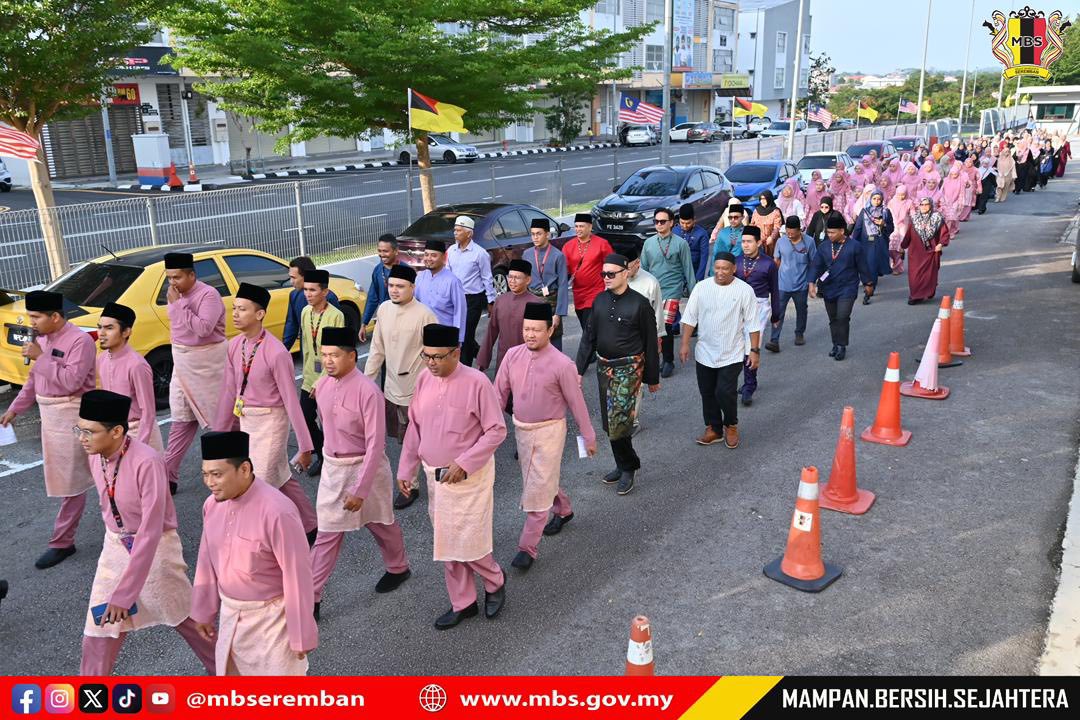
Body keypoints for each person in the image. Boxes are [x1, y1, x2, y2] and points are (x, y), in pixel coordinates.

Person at [75, 390, 215, 676]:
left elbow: (151, 531)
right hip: (114, 546)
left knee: (184, 617)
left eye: (89, 431)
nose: (82, 438)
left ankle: (232, 677)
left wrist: (125, 595)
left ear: (116, 431)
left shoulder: (148, 462)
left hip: (156, 549)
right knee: (98, 630)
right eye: (80, 429)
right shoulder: (95, 456)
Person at [397, 324, 508, 629]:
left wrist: (465, 462)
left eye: (438, 357)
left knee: (470, 541)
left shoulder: (477, 383)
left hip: (470, 478)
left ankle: (495, 581)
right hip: (435, 477)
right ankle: (464, 602)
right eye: (427, 356)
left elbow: (497, 430)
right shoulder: (423, 380)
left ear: (457, 353)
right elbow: (414, 428)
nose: (431, 363)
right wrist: (406, 470)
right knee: (447, 543)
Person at [191, 431, 318, 675]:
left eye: (217, 474)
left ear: (245, 469)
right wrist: (202, 609)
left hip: (272, 623)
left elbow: (297, 575)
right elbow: (206, 559)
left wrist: (301, 633)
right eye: (205, 474)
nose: (210, 482)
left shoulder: (278, 511)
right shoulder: (211, 506)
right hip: (231, 617)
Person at [310, 327, 411, 620]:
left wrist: (360, 490)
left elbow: (376, 444)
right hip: (334, 469)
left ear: (352, 356)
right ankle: (311, 598)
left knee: (381, 524)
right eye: (324, 355)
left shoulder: (369, 392)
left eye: (335, 355)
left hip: (366, 469)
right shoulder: (324, 386)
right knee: (328, 533)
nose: (328, 361)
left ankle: (398, 568)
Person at [212, 283, 319, 544]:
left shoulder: (276, 352)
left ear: (260, 314)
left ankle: (259, 538)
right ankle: (311, 524)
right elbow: (229, 391)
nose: (235, 314)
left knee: (257, 483)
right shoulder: (234, 345)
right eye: (234, 308)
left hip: (272, 421)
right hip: (247, 420)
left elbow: (292, 402)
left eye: (242, 309)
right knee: (280, 477)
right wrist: (220, 432)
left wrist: (306, 446)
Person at [494, 302, 597, 571]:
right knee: (539, 478)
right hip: (522, 430)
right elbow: (498, 395)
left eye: (536, 330)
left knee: (538, 487)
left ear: (550, 330)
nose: (530, 334)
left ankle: (527, 547)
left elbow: (576, 403)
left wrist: (588, 435)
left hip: (551, 431)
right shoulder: (512, 356)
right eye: (526, 329)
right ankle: (563, 508)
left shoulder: (563, 364)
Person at [0, 290, 96, 569]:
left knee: (76, 481)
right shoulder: (41, 339)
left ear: (55, 316)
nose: (31, 323)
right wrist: (15, 409)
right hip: (51, 418)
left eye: (36, 317)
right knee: (75, 478)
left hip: (75, 416)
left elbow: (71, 382)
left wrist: (42, 357)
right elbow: (33, 381)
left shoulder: (79, 341)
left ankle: (62, 542)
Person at [576, 255, 660, 496]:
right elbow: (588, 338)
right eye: (603, 274)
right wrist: (578, 370)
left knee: (620, 422)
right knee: (608, 423)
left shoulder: (640, 304)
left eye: (611, 274)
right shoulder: (600, 301)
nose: (606, 278)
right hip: (604, 367)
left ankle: (628, 468)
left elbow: (651, 343)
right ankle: (623, 463)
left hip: (629, 368)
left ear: (625, 273)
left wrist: (652, 378)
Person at [363, 264, 437, 510]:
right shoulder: (383, 310)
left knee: (414, 438)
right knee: (402, 438)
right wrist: (366, 382)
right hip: (391, 388)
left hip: (418, 389)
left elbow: (435, 354)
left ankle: (412, 485)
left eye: (400, 286)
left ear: (412, 288)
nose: (394, 290)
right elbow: (377, 349)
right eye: (391, 285)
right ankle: (414, 476)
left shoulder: (425, 315)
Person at [679, 252, 761, 450]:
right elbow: (690, 317)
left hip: (732, 352)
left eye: (725, 268)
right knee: (707, 392)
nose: (720, 272)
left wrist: (754, 351)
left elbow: (753, 323)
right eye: (717, 268)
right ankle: (714, 428)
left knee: (724, 391)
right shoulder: (701, 287)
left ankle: (731, 425)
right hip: (705, 351)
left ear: (734, 269)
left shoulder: (744, 290)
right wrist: (684, 344)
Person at [160, 252, 227, 496]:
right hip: (183, 364)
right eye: (169, 278)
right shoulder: (175, 295)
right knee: (181, 420)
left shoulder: (208, 295)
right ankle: (168, 475)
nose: (173, 282)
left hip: (208, 366)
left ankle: (235, 470)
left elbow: (203, 329)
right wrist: (177, 302)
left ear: (191, 275)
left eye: (177, 277)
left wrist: (178, 304)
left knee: (221, 424)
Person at [95, 302, 163, 452]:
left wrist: (141, 446)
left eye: (109, 328)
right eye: (100, 327)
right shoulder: (102, 359)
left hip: (139, 433)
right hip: (116, 433)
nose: (101, 333)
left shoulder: (137, 365)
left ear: (126, 332)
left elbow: (148, 412)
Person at [808, 215, 876, 361]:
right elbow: (815, 265)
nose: (829, 235)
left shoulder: (855, 246)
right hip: (828, 288)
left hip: (848, 288)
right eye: (828, 232)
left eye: (832, 232)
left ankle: (841, 346)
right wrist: (811, 283)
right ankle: (835, 343)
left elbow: (863, 267)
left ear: (842, 231)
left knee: (843, 317)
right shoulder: (824, 246)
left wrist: (868, 284)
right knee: (833, 318)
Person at [299, 268, 345, 478]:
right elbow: (307, 348)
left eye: (313, 290)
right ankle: (321, 452)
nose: (308, 294)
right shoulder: (305, 312)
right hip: (309, 377)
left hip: (329, 378)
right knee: (305, 416)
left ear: (325, 292)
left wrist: (322, 381)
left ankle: (335, 455)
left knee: (328, 419)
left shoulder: (336, 316)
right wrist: (308, 377)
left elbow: (337, 355)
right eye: (306, 289)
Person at [640, 207, 695, 378]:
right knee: (651, 327)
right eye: (656, 221)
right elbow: (643, 269)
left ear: (671, 223)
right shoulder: (648, 243)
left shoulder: (681, 243)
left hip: (672, 290)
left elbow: (688, 269)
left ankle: (668, 360)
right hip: (652, 291)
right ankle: (653, 359)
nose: (659, 224)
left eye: (662, 221)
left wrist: (695, 295)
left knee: (667, 325)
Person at [734, 227, 779, 405]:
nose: (745, 245)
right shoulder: (736, 262)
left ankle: (749, 385)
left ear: (759, 242)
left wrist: (776, 315)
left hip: (760, 307)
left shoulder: (768, 264)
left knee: (752, 346)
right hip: (738, 307)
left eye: (749, 241)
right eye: (743, 241)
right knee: (737, 345)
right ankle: (746, 380)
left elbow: (775, 291)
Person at [446, 216, 495, 367]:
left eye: (459, 230)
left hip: (473, 300)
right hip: (455, 299)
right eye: (455, 230)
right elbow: (447, 274)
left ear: (469, 233)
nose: (455, 233)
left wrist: (491, 301)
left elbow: (487, 278)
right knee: (457, 333)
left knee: (466, 335)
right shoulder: (451, 251)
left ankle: (465, 368)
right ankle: (481, 355)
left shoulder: (480, 254)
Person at [625, 247, 664, 432]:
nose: (624, 272)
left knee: (637, 384)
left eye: (628, 267)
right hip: (619, 340)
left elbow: (657, 315)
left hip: (640, 341)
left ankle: (633, 420)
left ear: (637, 263)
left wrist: (656, 341)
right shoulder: (614, 279)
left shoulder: (650, 282)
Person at [561, 214, 614, 342]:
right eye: (576, 226)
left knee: (590, 322)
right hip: (578, 292)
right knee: (584, 323)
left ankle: (592, 350)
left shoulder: (602, 244)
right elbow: (563, 270)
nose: (578, 229)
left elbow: (611, 265)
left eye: (582, 226)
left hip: (597, 290)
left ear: (590, 227)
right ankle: (595, 345)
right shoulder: (568, 246)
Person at [768, 217, 817, 351]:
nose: (789, 234)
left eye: (792, 232)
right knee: (778, 312)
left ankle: (799, 334)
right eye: (787, 231)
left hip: (801, 285)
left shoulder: (809, 242)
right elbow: (776, 261)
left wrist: (812, 282)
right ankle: (774, 340)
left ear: (799, 230)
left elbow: (814, 263)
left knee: (801, 311)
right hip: (782, 285)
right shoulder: (781, 241)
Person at [477, 259, 534, 373]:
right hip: (504, 360)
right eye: (510, 277)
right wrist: (482, 361)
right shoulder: (500, 301)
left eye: (517, 278)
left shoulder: (536, 304)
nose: (512, 281)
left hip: (528, 362)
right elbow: (491, 332)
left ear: (528, 280)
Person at [522, 218, 569, 351]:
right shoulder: (527, 254)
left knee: (554, 341)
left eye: (539, 234)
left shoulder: (558, 256)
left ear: (547, 234)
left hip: (551, 304)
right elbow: (524, 281)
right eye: (533, 234)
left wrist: (558, 314)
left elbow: (563, 285)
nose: (535, 237)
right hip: (532, 302)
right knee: (533, 338)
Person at [415, 239, 468, 343]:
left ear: (444, 257)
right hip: (422, 335)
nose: (428, 258)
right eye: (426, 255)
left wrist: (457, 339)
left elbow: (460, 312)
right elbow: (414, 304)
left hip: (444, 337)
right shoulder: (420, 277)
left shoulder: (453, 281)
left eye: (433, 255)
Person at [901, 196, 951, 305]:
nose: (924, 207)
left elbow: (945, 233)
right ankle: (915, 295)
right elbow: (908, 234)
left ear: (931, 205)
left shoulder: (936, 218)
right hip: (915, 252)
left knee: (929, 274)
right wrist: (902, 246)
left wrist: (941, 244)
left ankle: (927, 291)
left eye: (926, 204)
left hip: (930, 251)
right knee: (914, 275)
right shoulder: (914, 218)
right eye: (921, 205)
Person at [283, 257, 340, 350]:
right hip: (307, 355)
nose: (291, 281)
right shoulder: (294, 296)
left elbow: (337, 333)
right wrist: (283, 351)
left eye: (293, 277)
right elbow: (291, 326)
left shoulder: (329, 297)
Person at [359, 235, 408, 343]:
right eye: (379, 251)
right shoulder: (377, 270)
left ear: (396, 251)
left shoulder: (406, 271)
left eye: (385, 251)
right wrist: (364, 323)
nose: (382, 255)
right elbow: (373, 297)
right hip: (383, 322)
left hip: (403, 324)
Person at [850, 189, 894, 299]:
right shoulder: (864, 211)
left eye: (879, 199)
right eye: (874, 198)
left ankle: (870, 288)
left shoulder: (886, 211)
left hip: (879, 242)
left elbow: (891, 227)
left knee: (874, 265)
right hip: (866, 242)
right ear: (871, 199)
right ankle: (868, 286)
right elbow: (858, 228)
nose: (877, 201)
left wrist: (883, 224)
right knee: (867, 265)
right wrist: (853, 243)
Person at [672, 203, 711, 281]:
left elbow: (704, 258)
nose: (685, 226)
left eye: (688, 223)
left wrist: (698, 279)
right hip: (676, 272)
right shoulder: (674, 231)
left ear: (694, 220)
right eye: (682, 223)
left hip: (694, 271)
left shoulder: (702, 234)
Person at [887, 184, 915, 275]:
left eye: (903, 194)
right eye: (899, 194)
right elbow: (887, 213)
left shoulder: (909, 202)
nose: (901, 196)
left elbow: (913, 214)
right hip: (893, 226)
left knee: (900, 247)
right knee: (891, 247)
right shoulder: (891, 202)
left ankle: (898, 267)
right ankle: (893, 263)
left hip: (904, 227)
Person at [750, 190, 784, 254]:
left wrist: (771, 237)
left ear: (769, 199)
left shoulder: (775, 211)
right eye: (761, 199)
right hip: (759, 242)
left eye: (764, 199)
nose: (762, 201)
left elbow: (777, 227)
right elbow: (752, 224)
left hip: (771, 242)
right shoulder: (756, 211)